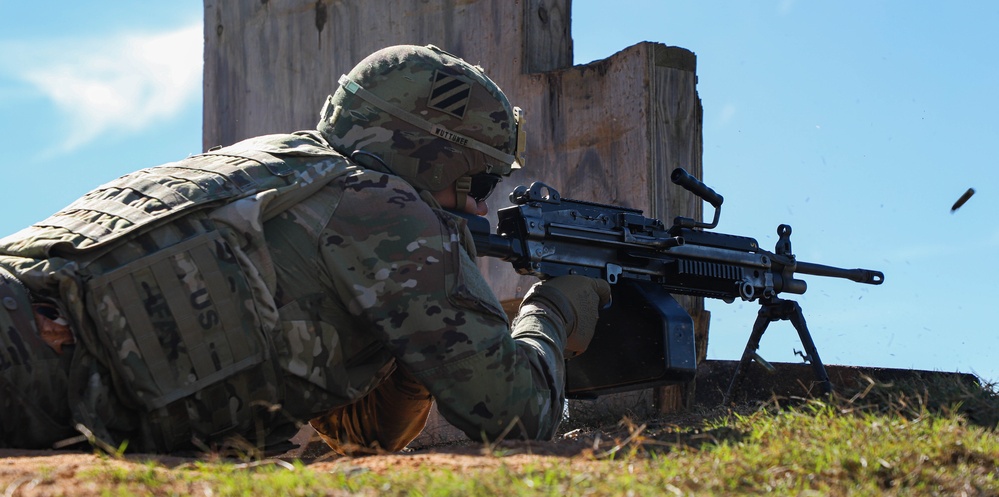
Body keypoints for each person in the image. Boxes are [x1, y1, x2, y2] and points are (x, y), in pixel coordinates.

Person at [0, 44, 611, 454]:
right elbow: (516, 417)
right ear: (428, 152)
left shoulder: (280, 168)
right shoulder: (385, 208)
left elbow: (362, 434)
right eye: (478, 182)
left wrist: (422, 348)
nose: (480, 208)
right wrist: (553, 309)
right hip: (33, 362)